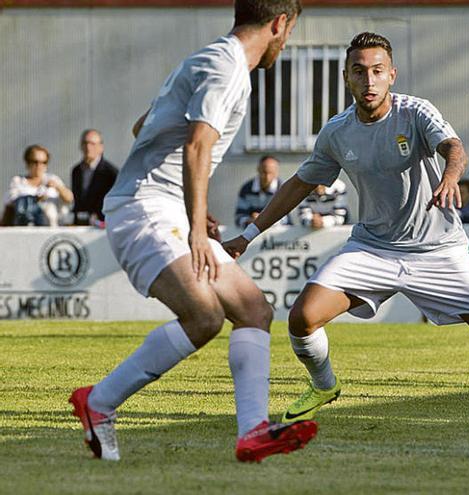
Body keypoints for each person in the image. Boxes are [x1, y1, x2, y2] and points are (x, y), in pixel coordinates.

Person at [223, 32, 469, 435]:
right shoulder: (337, 132)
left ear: (392, 75)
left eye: (377, 71)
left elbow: (455, 149)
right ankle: (325, 386)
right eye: (359, 72)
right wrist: (249, 234)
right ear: (346, 77)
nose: (369, 80)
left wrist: (451, 178)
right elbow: (299, 184)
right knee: (302, 318)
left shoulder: (415, 112)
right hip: (373, 249)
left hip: (439, 251)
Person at [68, 0, 317, 463]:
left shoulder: (208, 58)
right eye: (291, 31)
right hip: (143, 208)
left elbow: (144, 124)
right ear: (280, 23)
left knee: (253, 310)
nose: (287, 42)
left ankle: (253, 433)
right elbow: (197, 142)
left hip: (164, 208)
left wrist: (191, 213)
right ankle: (98, 402)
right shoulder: (228, 68)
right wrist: (197, 230)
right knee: (203, 317)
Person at [3, 144, 73, 226]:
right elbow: (10, 207)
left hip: (50, 231)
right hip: (25, 231)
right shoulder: (18, 181)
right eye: (35, 162)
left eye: (43, 162)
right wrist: (35, 199)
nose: (39, 166)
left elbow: (69, 199)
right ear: (27, 163)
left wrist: (58, 187)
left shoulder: (53, 179)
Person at [71, 129, 118, 226]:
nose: (88, 147)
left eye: (92, 144)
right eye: (85, 143)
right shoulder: (76, 171)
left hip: (102, 225)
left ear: (101, 147)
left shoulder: (110, 173)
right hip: (81, 224)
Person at [235, 155, 285, 228]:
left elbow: (284, 219)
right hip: (252, 231)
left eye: (271, 173)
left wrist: (263, 220)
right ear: (258, 169)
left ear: (277, 173)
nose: (267, 177)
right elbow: (239, 217)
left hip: (280, 234)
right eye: (264, 172)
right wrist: (249, 221)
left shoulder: (283, 188)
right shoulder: (246, 189)